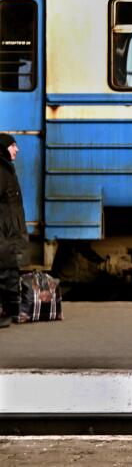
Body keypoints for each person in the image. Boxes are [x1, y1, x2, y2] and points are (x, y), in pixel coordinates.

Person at [0, 132, 27, 328]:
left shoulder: (7, 169)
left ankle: (11, 312)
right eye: (12, 146)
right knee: (5, 270)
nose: (16, 149)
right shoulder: (1, 170)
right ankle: (7, 312)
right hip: (3, 231)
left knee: (10, 269)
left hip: (10, 230)